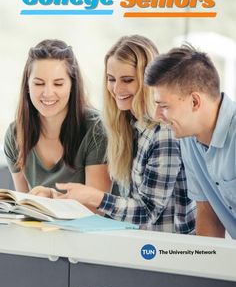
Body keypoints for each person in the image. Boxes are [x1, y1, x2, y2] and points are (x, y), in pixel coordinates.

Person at [34, 35, 195, 233]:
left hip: (168, 252)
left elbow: (148, 212)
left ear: (149, 81)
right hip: (138, 247)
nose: (117, 89)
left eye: (127, 80)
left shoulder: (163, 133)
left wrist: (95, 197)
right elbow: (123, 209)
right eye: (111, 79)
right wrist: (56, 197)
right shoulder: (127, 127)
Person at [144, 44, 236, 239]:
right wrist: (204, 266)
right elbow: (208, 213)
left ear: (195, 101)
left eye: (164, 106)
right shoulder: (188, 138)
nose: (157, 115)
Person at [4, 39, 111, 202]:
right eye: (39, 83)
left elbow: (97, 207)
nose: (47, 93)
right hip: (43, 227)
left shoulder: (95, 129)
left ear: (72, 85)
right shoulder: (15, 134)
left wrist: (51, 196)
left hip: (89, 226)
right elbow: (26, 204)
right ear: (27, 85)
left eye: (58, 84)